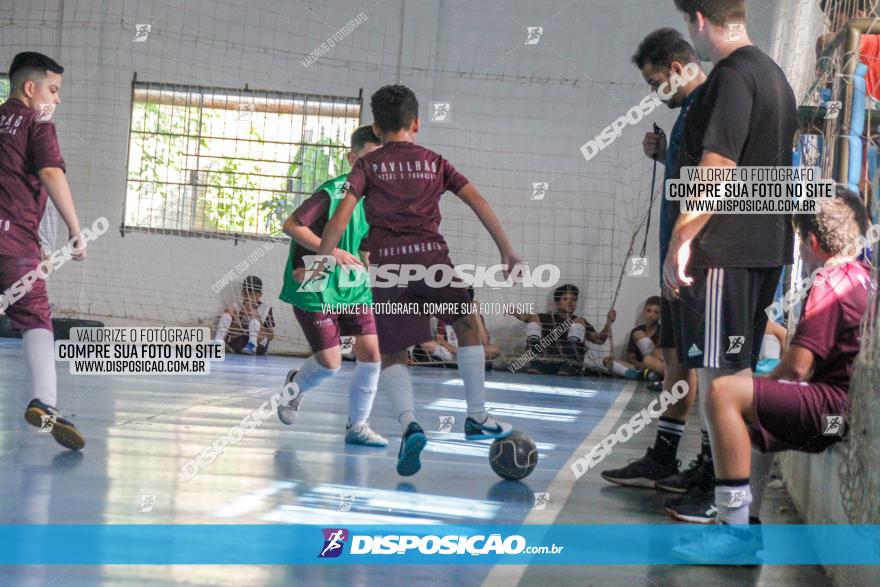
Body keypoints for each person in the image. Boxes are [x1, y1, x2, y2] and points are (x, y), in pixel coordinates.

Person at [312, 84, 521, 476]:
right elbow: (477, 200)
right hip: (431, 258)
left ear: (376, 127)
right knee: (465, 324)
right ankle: (476, 416)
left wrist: (323, 262)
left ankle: (410, 424)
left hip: (388, 265)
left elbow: (341, 218)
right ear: (416, 123)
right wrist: (507, 250)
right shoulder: (435, 161)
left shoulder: (367, 167)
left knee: (393, 350)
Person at [673, 189, 872, 560]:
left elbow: (797, 366)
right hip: (842, 412)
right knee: (747, 422)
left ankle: (732, 533)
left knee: (723, 394)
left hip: (830, 411)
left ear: (811, 242)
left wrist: (760, 384)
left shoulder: (831, 280)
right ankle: (745, 521)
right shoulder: (864, 276)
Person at [663, 0, 798, 523]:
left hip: (728, 251)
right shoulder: (775, 76)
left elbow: (717, 167)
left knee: (720, 384)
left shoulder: (731, 77)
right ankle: (740, 513)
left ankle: (733, 519)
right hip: (766, 247)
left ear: (699, 18)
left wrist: (682, 237)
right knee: (736, 380)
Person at [600, 29, 705, 489]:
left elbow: (716, 185)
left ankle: (712, 468)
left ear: (678, 70)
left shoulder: (707, 108)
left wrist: (685, 251)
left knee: (710, 367)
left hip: (698, 262)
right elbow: (693, 179)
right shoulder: (688, 114)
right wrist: (667, 157)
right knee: (677, 361)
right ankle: (664, 458)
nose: (653, 93)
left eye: (655, 82)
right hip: (677, 259)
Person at [275, 125, 387, 447]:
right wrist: (331, 252)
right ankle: (294, 387)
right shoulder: (334, 191)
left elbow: (367, 242)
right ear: (353, 159)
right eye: (368, 160)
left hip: (353, 284)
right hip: (316, 279)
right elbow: (291, 225)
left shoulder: (378, 201)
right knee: (330, 365)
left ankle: (358, 426)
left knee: (371, 354)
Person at [1, 52, 86, 450]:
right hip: (12, 243)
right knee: (36, 317)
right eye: (53, 90)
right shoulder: (38, 121)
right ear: (30, 88)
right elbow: (51, 172)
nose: (58, 99)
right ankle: (45, 402)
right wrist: (74, 228)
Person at [511, 283, 616, 376]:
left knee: (579, 322)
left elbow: (599, 340)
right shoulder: (546, 317)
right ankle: (535, 362)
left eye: (573, 300)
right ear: (557, 303)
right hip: (545, 362)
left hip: (570, 366)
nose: (570, 302)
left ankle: (569, 364)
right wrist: (515, 312)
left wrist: (608, 322)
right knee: (533, 319)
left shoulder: (579, 321)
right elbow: (526, 317)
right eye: (565, 299)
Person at [604, 296, 664, 381]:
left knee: (639, 336)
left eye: (656, 312)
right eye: (648, 311)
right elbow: (631, 357)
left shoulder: (662, 331)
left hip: (654, 364)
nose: (651, 315)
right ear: (644, 311)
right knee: (607, 360)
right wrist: (639, 365)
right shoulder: (636, 330)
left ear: (660, 315)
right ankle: (638, 374)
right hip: (639, 367)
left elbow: (661, 356)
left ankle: (650, 373)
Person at [213, 275, 275, 355]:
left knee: (254, 314)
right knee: (230, 310)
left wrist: (258, 320)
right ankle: (218, 341)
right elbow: (230, 330)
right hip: (239, 341)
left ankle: (252, 345)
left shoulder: (266, 308)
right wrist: (241, 314)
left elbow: (271, 336)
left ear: (260, 295)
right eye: (246, 293)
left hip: (258, 344)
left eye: (253, 294)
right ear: (243, 292)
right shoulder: (238, 305)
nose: (249, 297)